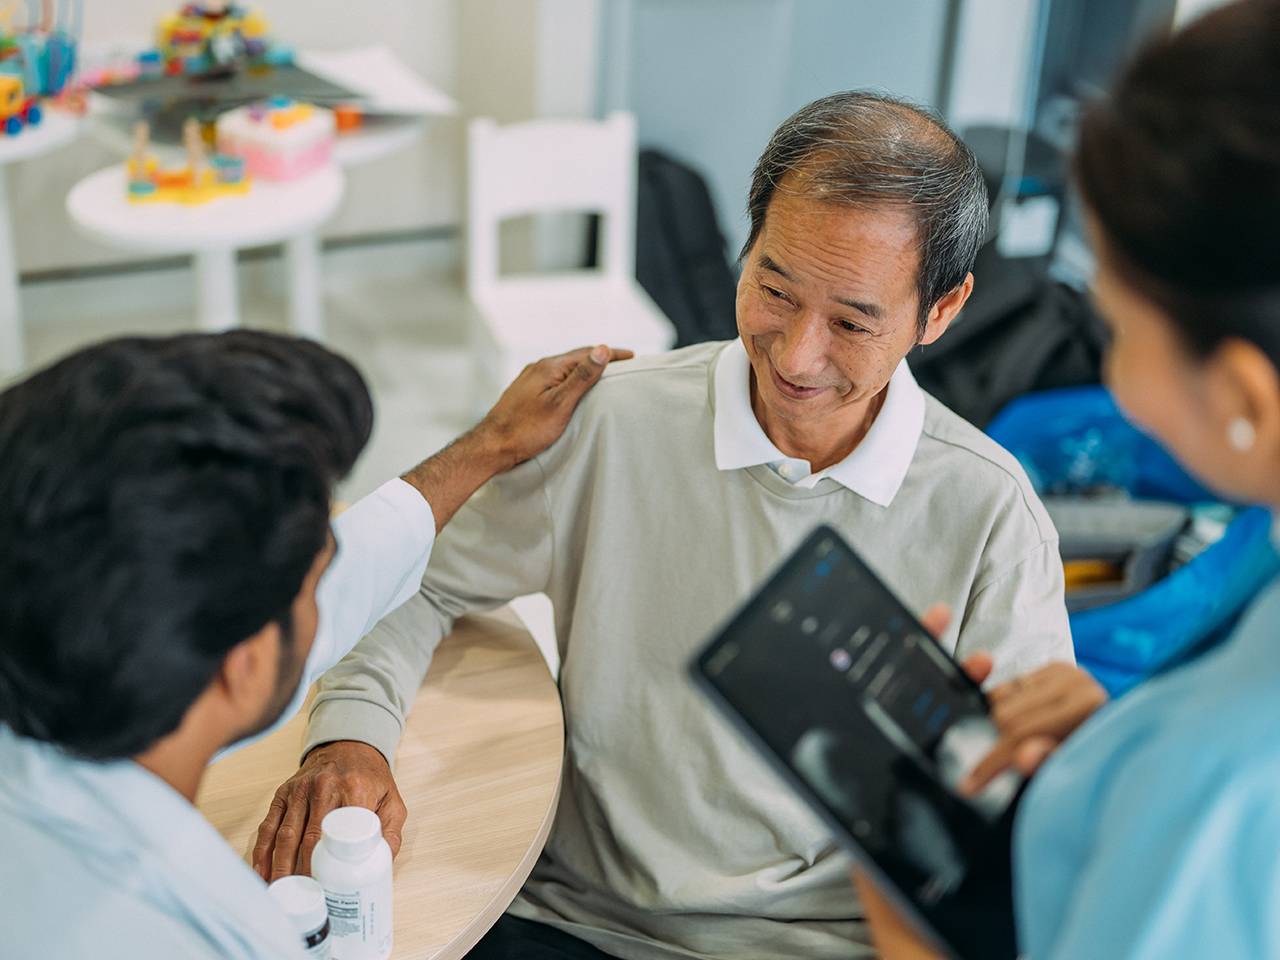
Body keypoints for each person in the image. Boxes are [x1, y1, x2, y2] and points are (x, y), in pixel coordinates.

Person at [256, 92, 1074, 960]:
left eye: (851, 322)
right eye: (773, 286)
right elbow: (407, 578)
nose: (796, 354)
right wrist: (351, 736)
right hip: (571, 917)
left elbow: (1010, 836)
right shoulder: (611, 421)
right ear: (746, 247)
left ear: (940, 311)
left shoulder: (989, 512)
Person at [858, 1, 1280, 956]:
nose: (1111, 376)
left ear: (1245, 395)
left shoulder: (1217, 789)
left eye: (1120, 328)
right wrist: (1119, 752)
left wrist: (901, 915)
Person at [0, 331, 629, 959]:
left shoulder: (73, 628)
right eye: (316, 576)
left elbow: (352, 573)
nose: (331, 591)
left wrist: (492, 443)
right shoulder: (199, 935)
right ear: (240, 666)